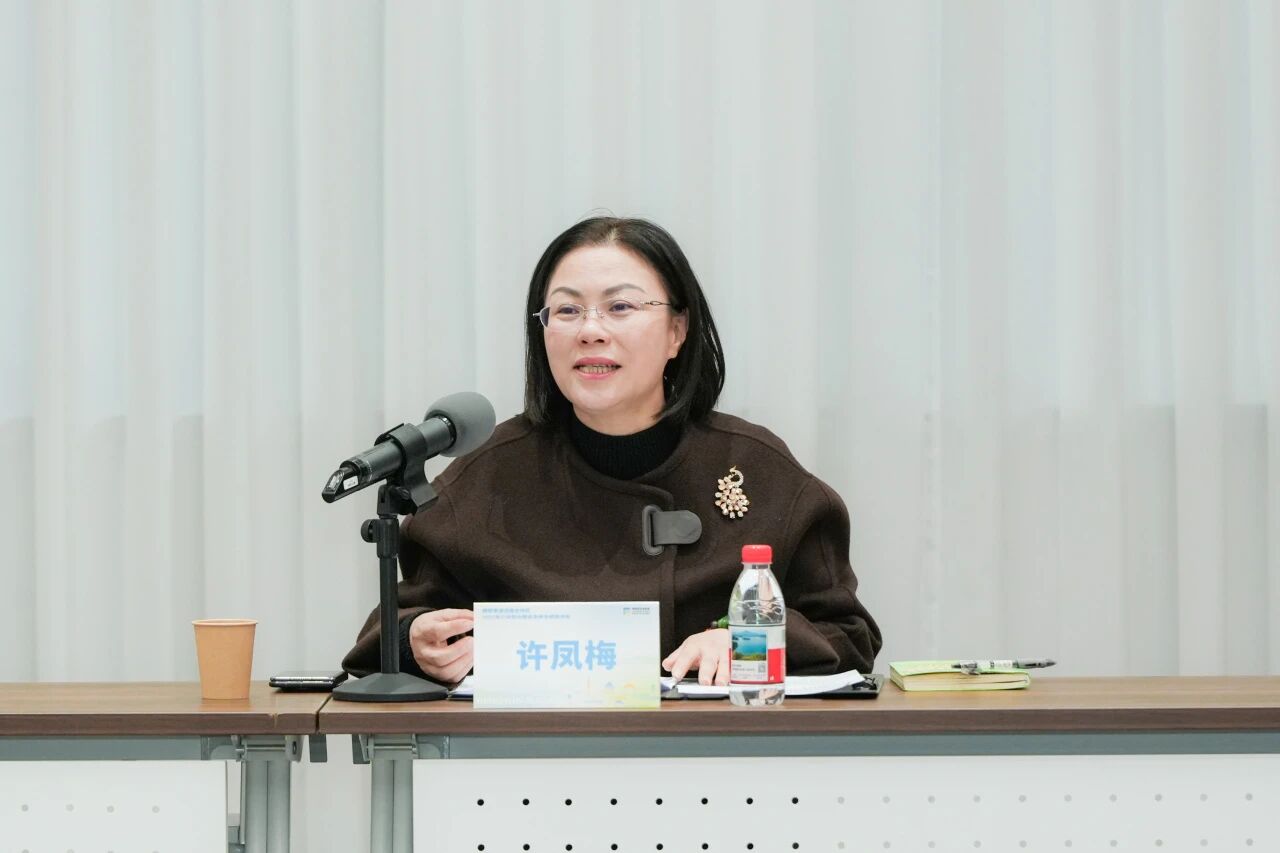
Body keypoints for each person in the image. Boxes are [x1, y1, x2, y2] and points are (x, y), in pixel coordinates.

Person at [342, 217, 880, 685]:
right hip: (528, 762)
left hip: (717, 760)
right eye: (566, 310)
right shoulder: (488, 475)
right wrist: (416, 642)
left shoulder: (757, 468)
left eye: (620, 306)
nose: (591, 331)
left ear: (677, 331)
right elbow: (395, 627)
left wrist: (747, 643)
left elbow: (848, 635)